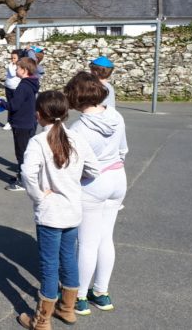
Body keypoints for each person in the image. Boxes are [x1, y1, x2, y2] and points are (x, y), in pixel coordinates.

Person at [17, 91, 99, 330]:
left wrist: (40, 196)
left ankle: (42, 320)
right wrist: (72, 183)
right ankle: (67, 309)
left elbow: (27, 174)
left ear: (39, 115)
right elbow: (94, 170)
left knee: (49, 264)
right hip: (73, 210)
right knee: (68, 259)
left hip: (51, 213)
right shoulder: (77, 139)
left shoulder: (38, 142)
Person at [64, 72, 128, 315]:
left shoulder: (78, 128)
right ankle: (101, 292)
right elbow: (123, 149)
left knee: (87, 242)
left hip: (93, 183)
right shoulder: (116, 116)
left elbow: (75, 166)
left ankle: (79, 296)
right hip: (118, 178)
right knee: (105, 237)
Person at [5, 57, 40, 191]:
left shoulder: (23, 86)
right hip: (29, 121)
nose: (16, 69)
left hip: (21, 123)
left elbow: (14, 105)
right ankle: (22, 175)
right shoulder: (32, 84)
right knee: (26, 151)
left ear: (24, 70)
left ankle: (23, 181)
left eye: (18, 68)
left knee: (22, 153)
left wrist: (2, 104)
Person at [3, 50, 21, 131]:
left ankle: (15, 122)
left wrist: (10, 65)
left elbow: (13, 74)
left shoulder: (18, 66)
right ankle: (9, 122)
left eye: (14, 58)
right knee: (10, 105)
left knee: (15, 106)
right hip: (8, 87)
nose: (12, 59)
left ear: (19, 58)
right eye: (11, 58)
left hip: (15, 89)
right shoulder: (11, 65)